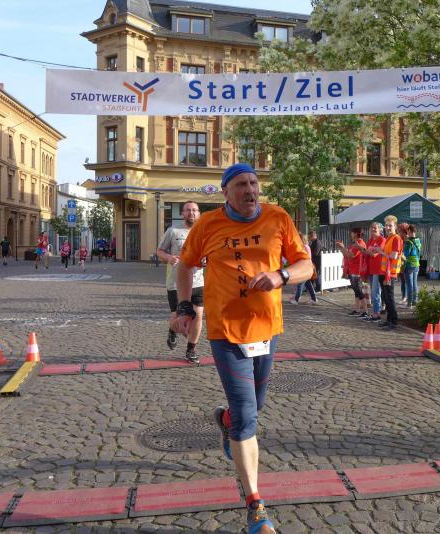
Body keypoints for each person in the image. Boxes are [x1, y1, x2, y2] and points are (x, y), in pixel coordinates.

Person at [172, 163, 312, 534]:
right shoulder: (208, 224)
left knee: (254, 406)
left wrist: (282, 275)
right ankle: (256, 507)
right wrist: (183, 307)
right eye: (241, 184)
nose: (250, 190)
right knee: (248, 417)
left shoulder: (278, 217)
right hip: (226, 333)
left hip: (268, 329)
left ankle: (226, 421)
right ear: (225, 192)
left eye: (254, 183)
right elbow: (184, 267)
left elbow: (306, 266)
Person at [157, 201, 205, 363]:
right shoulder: (173, 231)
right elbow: (160, 251)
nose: (192, 213)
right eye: (188, 210)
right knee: (177, 317)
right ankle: (173, 329)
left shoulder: (204, 232)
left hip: (198, 281)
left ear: (199, 213)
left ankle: (191, 349)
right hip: (176, 283)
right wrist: (169, 258)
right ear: (182, 213)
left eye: (195, 210)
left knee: (198, 316)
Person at [370, 215, 403, 330]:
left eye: (390, 226)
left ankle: (394, 321)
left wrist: (380, 251)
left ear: (395, 226)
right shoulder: (389, 238)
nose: (388, 228)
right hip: (384, 272)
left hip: (390, 273)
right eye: (386, 225)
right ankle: (389, 320)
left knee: (389, 297)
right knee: (386, 297)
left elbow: (394, 256)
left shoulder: (396, 238)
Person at [336, 227, 368, 316]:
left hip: (357, 271)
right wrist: (342, 248)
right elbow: (346, 254)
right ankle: (357, 310)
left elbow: (351, 255)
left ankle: (365, 311)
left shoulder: (360, 243)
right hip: (352, 270)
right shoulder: (353, 244)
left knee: (359, 291)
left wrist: (342, 247)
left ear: (356, 234)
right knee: (356, 291)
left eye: (352, 233)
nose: (351, 234)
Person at [361, 222, 386, 323]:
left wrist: (366, 250)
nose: (373, 229)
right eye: (371, 228)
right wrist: (367, 251)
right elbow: (366, 252)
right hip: (371, 269)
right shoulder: (370, 240)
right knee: (373, 292)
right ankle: (375, 313)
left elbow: (374, 254)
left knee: (376, 292)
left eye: (375, 228)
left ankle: (377, 314)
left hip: (378, 269)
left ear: (380, 229)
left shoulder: (382, 240)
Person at [289, 233, 318, 305]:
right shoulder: (306, 246)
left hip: (305, 268)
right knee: (308, 284)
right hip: (306, 267)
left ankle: (296, 299)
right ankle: (314, 298)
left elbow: (303, 258)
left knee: (300, 283)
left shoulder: (304, 247)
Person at [402, 224, 421, 308]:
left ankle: (409, 304)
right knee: (415, 284)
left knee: (409, 285)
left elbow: (405, 255)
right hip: (417, 264)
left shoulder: (408, 242)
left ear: (409, 231)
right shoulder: (418, 240)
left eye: (407, 231)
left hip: (409, 265)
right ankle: (414, 302)